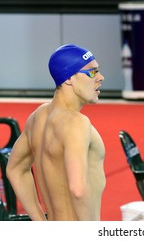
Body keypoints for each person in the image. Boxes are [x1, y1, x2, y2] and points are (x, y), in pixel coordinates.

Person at [6, 44, 106, 221]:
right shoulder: (76, 123)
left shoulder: (38, 116)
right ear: (69, 78)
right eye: (92, 72)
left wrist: (40, 223)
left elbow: (15, 169)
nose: (100, 77)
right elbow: (78, 189)